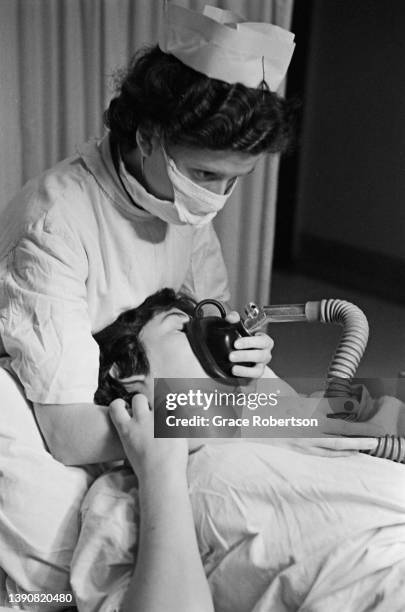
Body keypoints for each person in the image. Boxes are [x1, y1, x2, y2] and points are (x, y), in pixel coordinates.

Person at [0, 4, 297, 466]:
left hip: (170, 412)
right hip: (81, 425)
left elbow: (210, 326)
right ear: (147, 137)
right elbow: (69, 432)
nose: (214, 198)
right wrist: (220, 420)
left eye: (233, 180)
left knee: (331, 435)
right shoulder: (54, 224)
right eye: (204, 172)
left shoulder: (178, 204)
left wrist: (241, 364)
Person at [70, 287, 405, 612]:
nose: (211, 332)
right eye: (182, 327)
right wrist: (160, 471)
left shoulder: (275, 420)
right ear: (127, 371)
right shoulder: (121, 497)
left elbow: (367, 422)